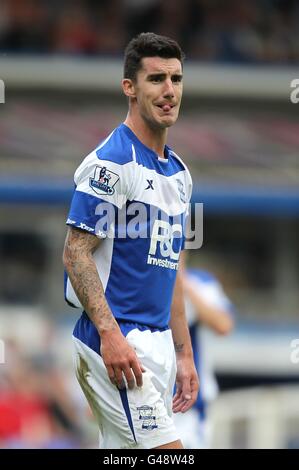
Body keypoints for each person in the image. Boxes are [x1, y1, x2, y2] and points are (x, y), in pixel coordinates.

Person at [62, 32, 199, 449]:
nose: (169, 91)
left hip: (157, 343)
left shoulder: (181, 175)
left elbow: (172, 264)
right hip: (119, 342)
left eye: (176, 79)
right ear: (130, 88)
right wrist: (110, 335)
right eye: (156, 79)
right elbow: (75, 252)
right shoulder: (111, 163)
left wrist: (185, 353)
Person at [174, 262, 234, 448]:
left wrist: (182, 283)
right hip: (153, 395)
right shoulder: (148, 275)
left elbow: (223, 324)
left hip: (190, 405)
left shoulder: (202, 281)